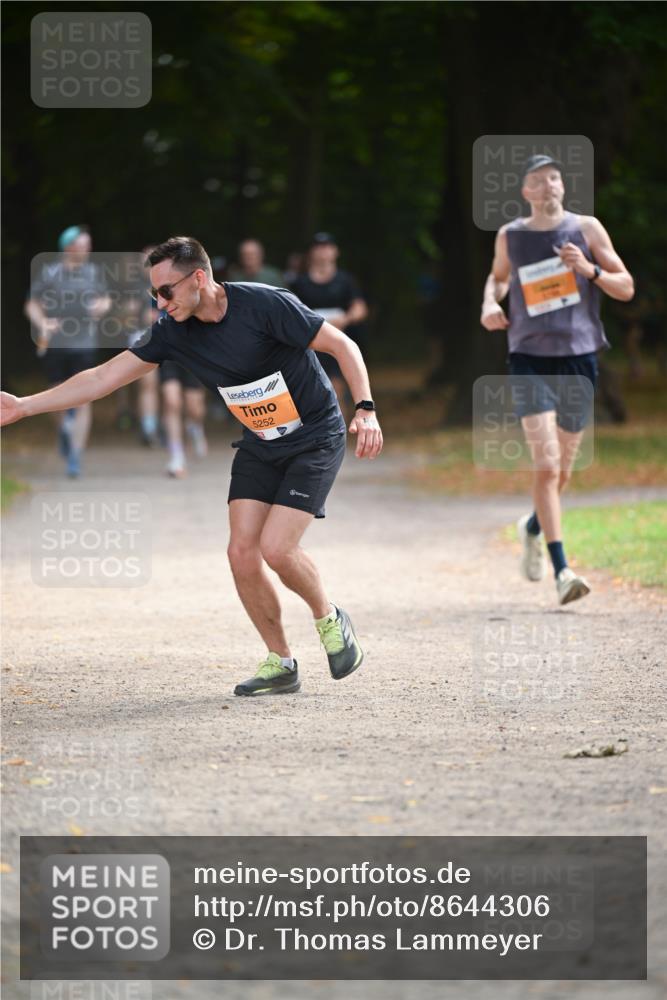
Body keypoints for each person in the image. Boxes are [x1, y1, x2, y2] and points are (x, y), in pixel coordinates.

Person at [1, 236, 383, 696]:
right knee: (241, 553)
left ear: (198, 278)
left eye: (166, 291)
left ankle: (330, 619)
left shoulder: (264, 304)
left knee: (277, 549)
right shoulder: (172, 331)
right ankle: (281, 662)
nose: (160, 303)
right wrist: (24, 406)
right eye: (153, 294)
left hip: (314, 437)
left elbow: (342, 344)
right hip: (260, 442)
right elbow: (102, 377)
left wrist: (365, 408)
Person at [481, 154, 634, 605]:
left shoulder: (587, 229)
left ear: (563, 186)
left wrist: (589, 270)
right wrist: (490, 303)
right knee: (547, 467)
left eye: (554, 177)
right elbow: (498, 280)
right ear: (526, 192)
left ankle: (531, 526)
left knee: (563, 471)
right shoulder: (510, 235)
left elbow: (625, 286)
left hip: (579, 359)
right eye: (538, 179)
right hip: (529, 358)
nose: (548, 184)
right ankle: (563, 570)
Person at [24, 225, 110, 477]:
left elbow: (105, 299)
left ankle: (75, 455)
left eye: (88, 245)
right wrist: (43, 323)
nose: (88, 250)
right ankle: (65, 430)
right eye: (83, 245)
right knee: (57, 394)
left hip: (84, 343)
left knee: (84, 397)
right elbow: (32, 304)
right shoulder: (49, 273)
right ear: (68, 247)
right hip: (55, 343)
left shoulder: (94, 272)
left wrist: (100, 307)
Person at [289, 233, 369, 411]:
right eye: (318, 247)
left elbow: (360, 308)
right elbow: (291, 313)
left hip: (339, 342)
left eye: (327, 247)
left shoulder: (345, 280)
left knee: (336, 389)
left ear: (335, 251)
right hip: (311, 345)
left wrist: (345, 319)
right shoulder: (300, 283)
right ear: (311, 252)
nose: (323, 251)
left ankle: (340, 427)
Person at [159, 360, 209, 478]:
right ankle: (176, 456)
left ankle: (196, 428)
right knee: (171, 402)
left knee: (194, 408)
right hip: (169, 357)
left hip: (192, 356)